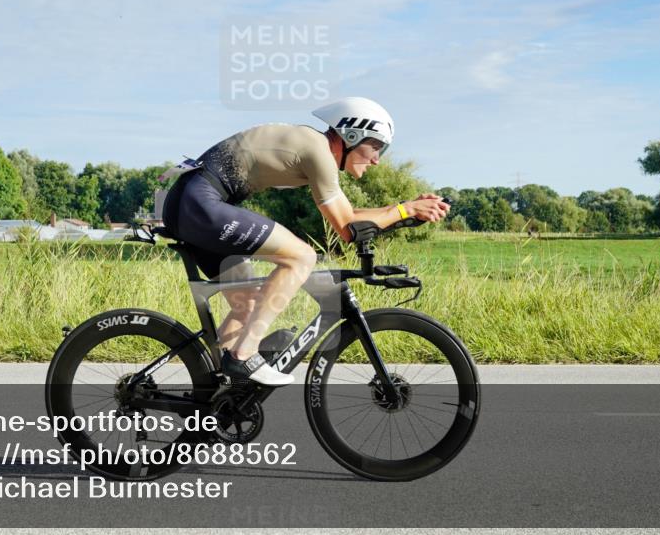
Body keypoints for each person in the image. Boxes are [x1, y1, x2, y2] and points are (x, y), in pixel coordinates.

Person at [161, 97, 450, 386]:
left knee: (246, 305)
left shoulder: (313, 147)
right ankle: (243, 355)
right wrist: (405, 210)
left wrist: (407, 209)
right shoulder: (318, 151)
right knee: (301, 257)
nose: (376, 159)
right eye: (376, 147)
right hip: (200, 204)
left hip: (192, 203)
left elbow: (349, 217)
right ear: (352, 135)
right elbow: (348, 229)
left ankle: (215, 394)